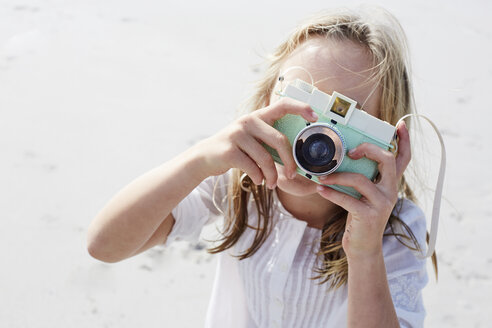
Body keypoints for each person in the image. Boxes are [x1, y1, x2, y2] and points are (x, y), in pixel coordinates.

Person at [87, 6, 437, 328]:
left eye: (343, 119)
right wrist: (198, 159)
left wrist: (365, 250)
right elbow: (104, 245)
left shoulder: (392, 230)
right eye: (304, 101)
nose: (316, 135)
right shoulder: (239, 182)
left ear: (386, 138)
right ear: (267, 100)